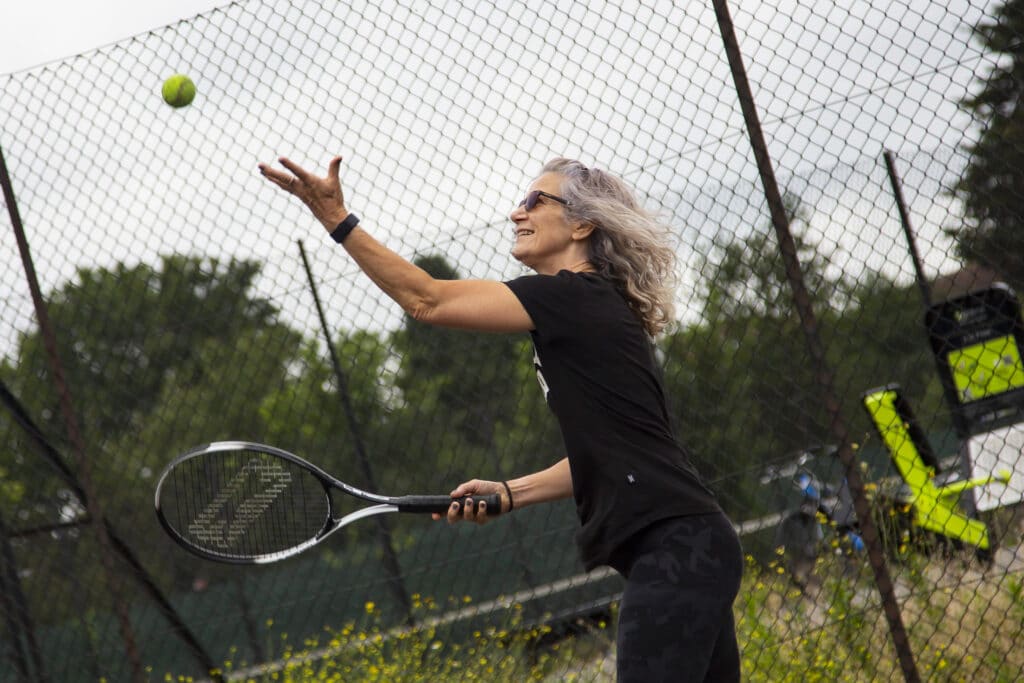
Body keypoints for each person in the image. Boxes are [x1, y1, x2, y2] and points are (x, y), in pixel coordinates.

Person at [258, 154, 744, 682]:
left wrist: (337, 218)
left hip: (676, 549)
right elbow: (605, 456)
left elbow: (425, 299)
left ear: (582, 225)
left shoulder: (572, 297)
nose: (517, 212)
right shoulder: (585, 310)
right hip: (692, 545)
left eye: (536, 200)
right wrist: (511, 493)